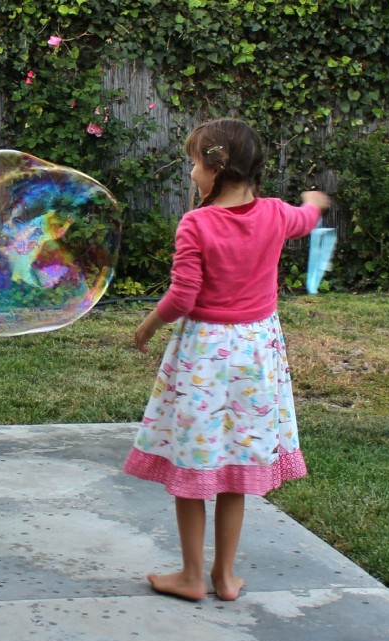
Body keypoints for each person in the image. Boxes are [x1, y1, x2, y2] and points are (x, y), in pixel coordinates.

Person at [124, 118, 330, 602]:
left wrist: (148, 325)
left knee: (195, 467)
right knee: (234, 466)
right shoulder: (278, 214)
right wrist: (314, 203)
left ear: (215, 167)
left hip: (205, 358)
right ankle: (225, 575)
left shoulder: (197, 223)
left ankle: (192, 575)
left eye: (194, 164)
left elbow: (183, 295)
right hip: (256, 355)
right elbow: (305, 218)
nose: (191, 173)